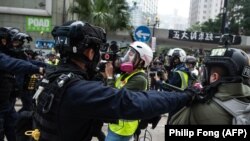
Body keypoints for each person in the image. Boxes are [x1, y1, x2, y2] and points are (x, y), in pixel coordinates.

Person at [31, 20, 197, 141]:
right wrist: (185, 96)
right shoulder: (76, 89)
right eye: (97, 51)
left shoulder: (52, 76)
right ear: (89, 53)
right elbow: (133, 102)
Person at [169, 47, 250, 124]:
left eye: (206, 71)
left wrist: (187, 100)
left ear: (214, 77)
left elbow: (173, 123)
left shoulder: (199, 108)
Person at [105, 41, 153, 141]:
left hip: (123, 129)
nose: (126, 57)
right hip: (117, 124)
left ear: (141, 61)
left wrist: (109, 77)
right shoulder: (127, 73)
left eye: (131, 54)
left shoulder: (139, 79)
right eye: (128, 53)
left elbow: (115, 98)